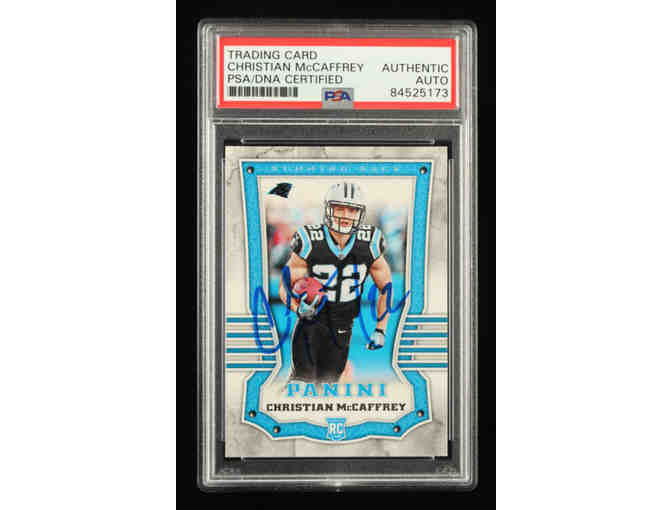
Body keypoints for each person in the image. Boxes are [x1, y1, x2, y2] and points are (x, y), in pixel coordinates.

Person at [279, 182, 393, 383]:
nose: (346, 215)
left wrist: (381, 329)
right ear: (328, 209)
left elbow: (386, 288)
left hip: (343, 326)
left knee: (328, 385)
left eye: (352, 210)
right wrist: (298, 309)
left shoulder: (370, 243)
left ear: (361, 213)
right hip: (311, 323)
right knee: (301, 383)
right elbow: (284, 287)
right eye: (339, 208)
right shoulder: (310, 240)